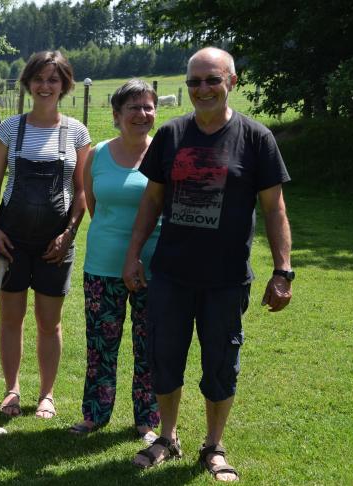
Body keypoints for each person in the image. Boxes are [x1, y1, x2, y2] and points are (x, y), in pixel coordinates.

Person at [125, 47, 293, 482]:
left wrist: (283, 270)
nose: (203, 89)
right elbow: (153, 200)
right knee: (164, 358)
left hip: (225, 278)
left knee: (220, 363)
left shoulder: (256, 139)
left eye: (212, 80)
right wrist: (133, 253)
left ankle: (214, 444)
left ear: (231, 82)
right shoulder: (171, 134)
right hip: (170, 275)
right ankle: (167, 436)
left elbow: (275, 210)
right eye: (195, 82)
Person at [0, 50, 91, 419]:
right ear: (28, 83)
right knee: (11, 319)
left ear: (64, 85)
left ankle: (46, 394)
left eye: (54, 80)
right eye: (39, 79)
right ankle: (11, 390)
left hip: (55, 243)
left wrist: (69, 235)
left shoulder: (77, 131)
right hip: (10, 240)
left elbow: (81, 191)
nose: (46, 86)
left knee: (50, 322)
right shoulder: (10, 128)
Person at [69, 79, 160, 443]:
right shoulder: (98, 155)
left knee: (149, 345)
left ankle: (147, 422)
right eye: (133, 108)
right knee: (100, 346)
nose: (142, 114)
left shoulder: (163, 153)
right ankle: (95, 414)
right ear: (117, 114)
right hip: (102, 266)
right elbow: (93, 205)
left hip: (153, 268)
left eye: (148, 107)